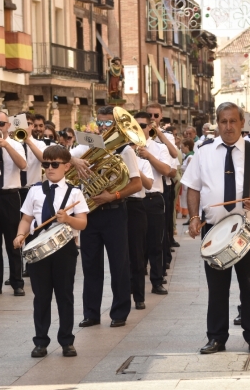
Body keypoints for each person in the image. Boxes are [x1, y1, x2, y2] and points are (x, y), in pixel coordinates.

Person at [182, 102, 250, 355]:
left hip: (248, 229)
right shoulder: (203, 152)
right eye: (223, 122)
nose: (228, 126)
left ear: (242, 123)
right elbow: (192, 186)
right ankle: (216, 338)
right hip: (214, 230)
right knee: (217, 288)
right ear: (217, 124)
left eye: (233, 121)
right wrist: (193, 216)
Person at [70, 106, 142, 328]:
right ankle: (91, 313)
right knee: (90, 265)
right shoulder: (85, 146)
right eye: (100, 123)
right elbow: (56, 157)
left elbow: (137, 184)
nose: (103, 128)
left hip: (114, 212)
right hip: (90, 213)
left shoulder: (125, 151)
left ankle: (119, 312)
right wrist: (75, 161)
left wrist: (113, 195)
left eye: (108, 124)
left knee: (119, 263)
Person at [15, 146, 88, 358]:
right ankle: (40, 342)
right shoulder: (35, 191)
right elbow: (26, 219)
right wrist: (20, 235)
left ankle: (67, 341)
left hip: (65, 250)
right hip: (39, 250)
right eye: (46, 164)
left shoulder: (75, 192)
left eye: (54, 164)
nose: (49, 168)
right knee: (41, 297)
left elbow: (82, 223)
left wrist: (68, 219)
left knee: (65, 296)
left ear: (66, 166)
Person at [133, 112, 175, 295]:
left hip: (153, 198)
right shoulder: (126, 148)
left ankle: (157, 281)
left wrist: (148, 155)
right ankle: (135, 283)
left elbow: (168, 171)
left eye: (142, 125)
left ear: (149, 127)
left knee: (155, 243)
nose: (139, 129)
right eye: (135, 126)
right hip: (134, 199)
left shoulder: (159, 148)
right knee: (135, 246)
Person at [0, 111, 27, 296]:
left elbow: (23, 165)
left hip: (10, 196)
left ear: (8, 126)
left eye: (1, 123)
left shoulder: (16, 145)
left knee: (13, 240)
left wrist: (6, 146)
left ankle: (17, 282)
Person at [126, 153, 154, 310]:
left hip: (136, 205)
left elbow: (149, 184)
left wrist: (133, 165)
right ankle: (124, 293)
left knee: (137, 253)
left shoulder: (143, 162)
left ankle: (139, 296)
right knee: (120, 256)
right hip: (117, 205)